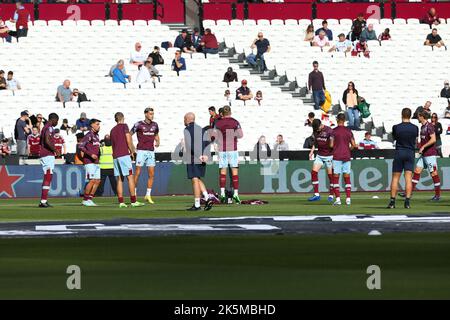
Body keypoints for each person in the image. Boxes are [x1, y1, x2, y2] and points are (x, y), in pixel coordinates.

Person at [110, 112, 144, 208]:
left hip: (115, 156)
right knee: (130, 177)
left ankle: (121, 202)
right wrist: (132, 151)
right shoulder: (124, 126)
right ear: (123, 118)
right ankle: (133, 201)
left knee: (120, 179)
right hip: (124, 155)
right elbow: (128, 139)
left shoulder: (112, 130)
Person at [387, 108, 419, 209]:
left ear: (402, 115)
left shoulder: (396, 127)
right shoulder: (415, 128)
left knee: (395, 178)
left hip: (399, 152)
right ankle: (407, 202)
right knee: (408, 178)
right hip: (410, 153)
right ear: (410, 116)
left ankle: (392, 202)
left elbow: (395, 138)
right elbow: (416, 140)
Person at [407, 111, 442, 201]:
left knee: (434, 173)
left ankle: (437, 195)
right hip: (424, 154)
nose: (417, 118)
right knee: (417, 170)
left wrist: (423, 146)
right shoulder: (422, 126)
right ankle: (409, 192)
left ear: (422, 117)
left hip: (430, 154)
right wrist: (419, 145)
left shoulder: (429, 126)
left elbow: (433, 139)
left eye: (418, 116)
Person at [213, 106, 244, 204]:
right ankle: (236, 194)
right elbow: (241, 135)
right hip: (232, 149)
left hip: (222, 149)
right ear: (230, 112)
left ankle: (222, 193)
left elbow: (213, 135)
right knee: (234, 172)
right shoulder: (235, 122)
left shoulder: (217, 123)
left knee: (223, 171)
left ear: (222, 113)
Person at [183, 112, 213, 211]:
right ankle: (208, 198)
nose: (184, 121)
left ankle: (197, 205)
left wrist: (198, 155)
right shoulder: (202, 129)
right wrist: (206, 155)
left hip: (193, 157)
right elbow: (208, 142)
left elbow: (190, 145)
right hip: (203, 158)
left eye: (184, 119)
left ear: (187, 119)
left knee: (194, 180)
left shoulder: (187, 129)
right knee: (198, 179)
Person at [130, 108, 160, 204]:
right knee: (137, 173)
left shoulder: (155, 125)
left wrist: (158, 141)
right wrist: (131, 146)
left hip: (151, 151)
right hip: (141, 151)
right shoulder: (138, 124)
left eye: (153, 114)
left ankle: (148, 195)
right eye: (150, 114)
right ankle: (133, 194)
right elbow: (129, 134)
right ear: (145, 114)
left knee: (151, 174)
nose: (152, 115)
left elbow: (156, 134)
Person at [332, 113, 357, 206]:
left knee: (336, 178)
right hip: (346, 156)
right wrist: (348, 149)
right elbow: (354, 145)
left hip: (337, 156)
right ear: (345, 120)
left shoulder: (333, 131)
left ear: (337, 120)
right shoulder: (349, 131)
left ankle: (338, 199)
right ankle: (348, 199)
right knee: (347, 178)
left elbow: (331, 145)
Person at [308, 119, 335, 202]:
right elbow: (315, 143)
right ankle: (316, 194)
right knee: (314, 173)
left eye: (317, 128)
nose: (317, 130)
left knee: (330, 176)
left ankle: (331, 194)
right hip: (319, 155)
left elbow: (332, 144)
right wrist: (311, 152)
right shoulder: (315, 130)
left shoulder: (329, 131)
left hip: (329, 156)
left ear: (321, 125)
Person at [38, 113, 60, 208]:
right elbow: (47, 140)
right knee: (48, 176)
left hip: (47, 154)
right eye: (57, 120)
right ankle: (43, 201)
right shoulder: (49, 127)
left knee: (48, 176)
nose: (57, 122)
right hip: (47, 154)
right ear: (53, 119)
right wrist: (55, 150)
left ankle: (44, 200)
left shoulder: (46, 127)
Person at [79, 119, 102, 206]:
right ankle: (85, 199)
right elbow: (81, 146)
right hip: (89, 161)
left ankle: (90, 199)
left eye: (99, 124)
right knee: (92, 180)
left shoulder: (97, 136)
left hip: (96, 162)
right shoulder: (89, 135)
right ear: (92, 125)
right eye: (97, 124)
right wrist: (90, 154)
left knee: (97, 180)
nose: (99, 126)